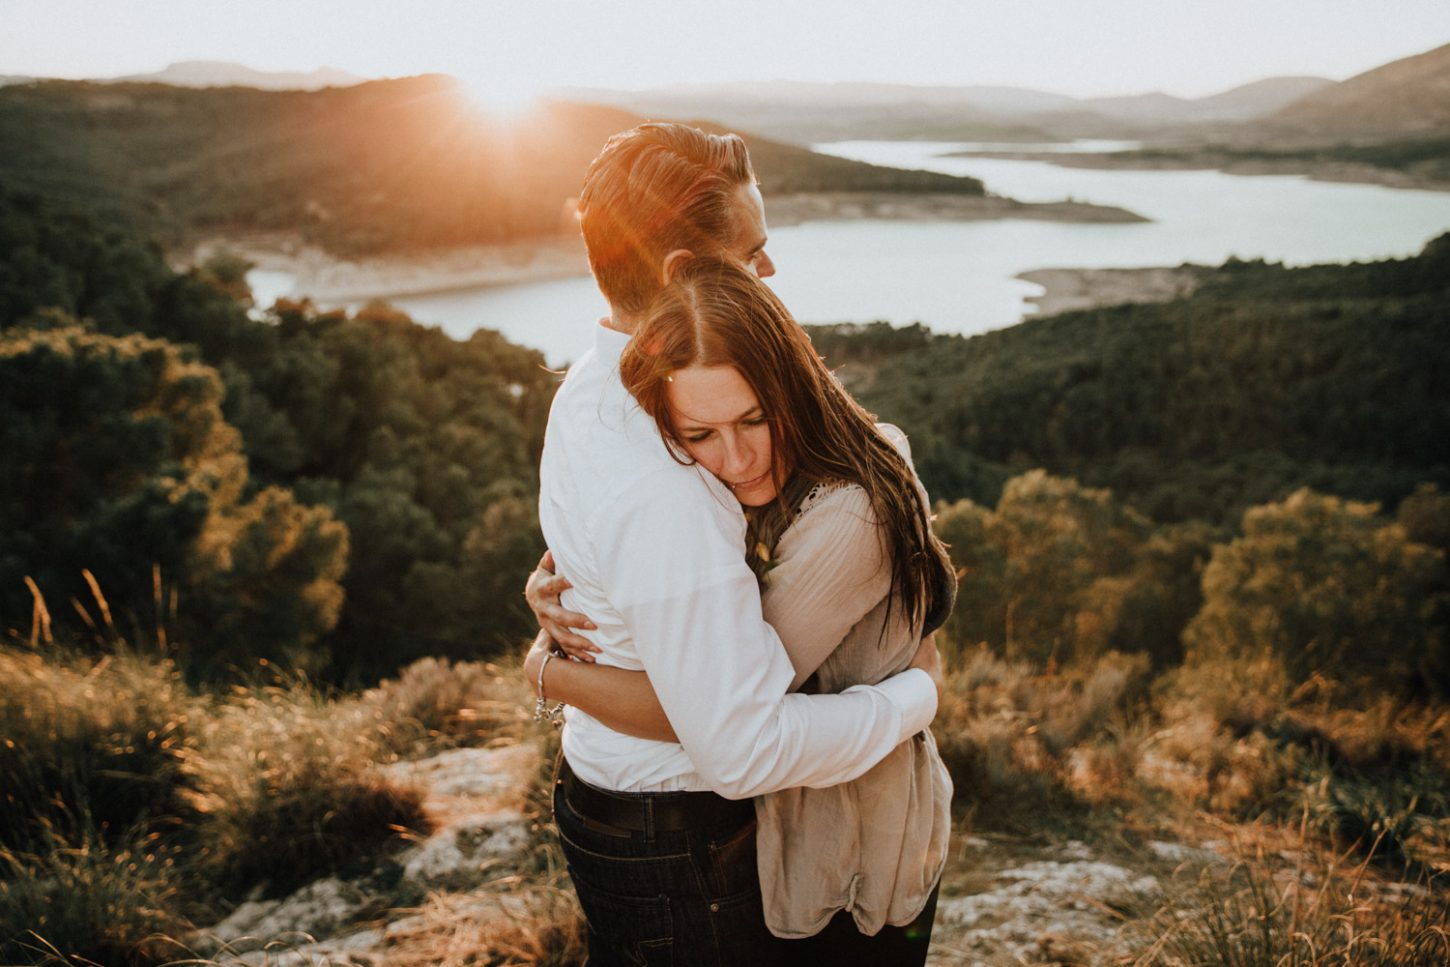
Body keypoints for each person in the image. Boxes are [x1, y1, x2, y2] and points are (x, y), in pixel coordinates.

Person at [530, 122, 947, 966]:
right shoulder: (665, 471)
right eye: (752, 251)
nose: (770, 270)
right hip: (677, 841)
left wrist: (550, 660)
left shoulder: (594, 381)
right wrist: (915, 699)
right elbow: (735, 738)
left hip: (618, 802)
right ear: (684, 274)